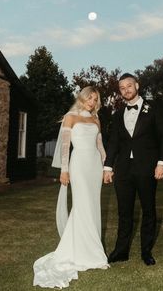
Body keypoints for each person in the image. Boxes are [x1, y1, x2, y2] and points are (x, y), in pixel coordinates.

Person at [33, 86, 109, 289]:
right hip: (78, 165)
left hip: (94, 166)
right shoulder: (70, 117)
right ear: (82, 98)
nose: (92, 102)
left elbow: (100, 146)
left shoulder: (95, 119)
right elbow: (66, 147)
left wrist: (105, 167)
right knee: (82, 205)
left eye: (95, 99)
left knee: (92, 206)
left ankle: (92, 250)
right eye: (89, 98)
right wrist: (64, 170)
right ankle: (85, 253)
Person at [103, 73, 163, 266]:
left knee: (149, 210)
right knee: (124, 212)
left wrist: (162, 163)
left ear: (137, 85)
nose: (126, 91)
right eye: (122, 88)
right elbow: (114, 142)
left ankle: (146, 252)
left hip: (147, 167)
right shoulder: (117, 114)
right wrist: (108, 166)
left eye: (129, 86)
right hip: (123, 169)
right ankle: (121, 251)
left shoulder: (154, 108)